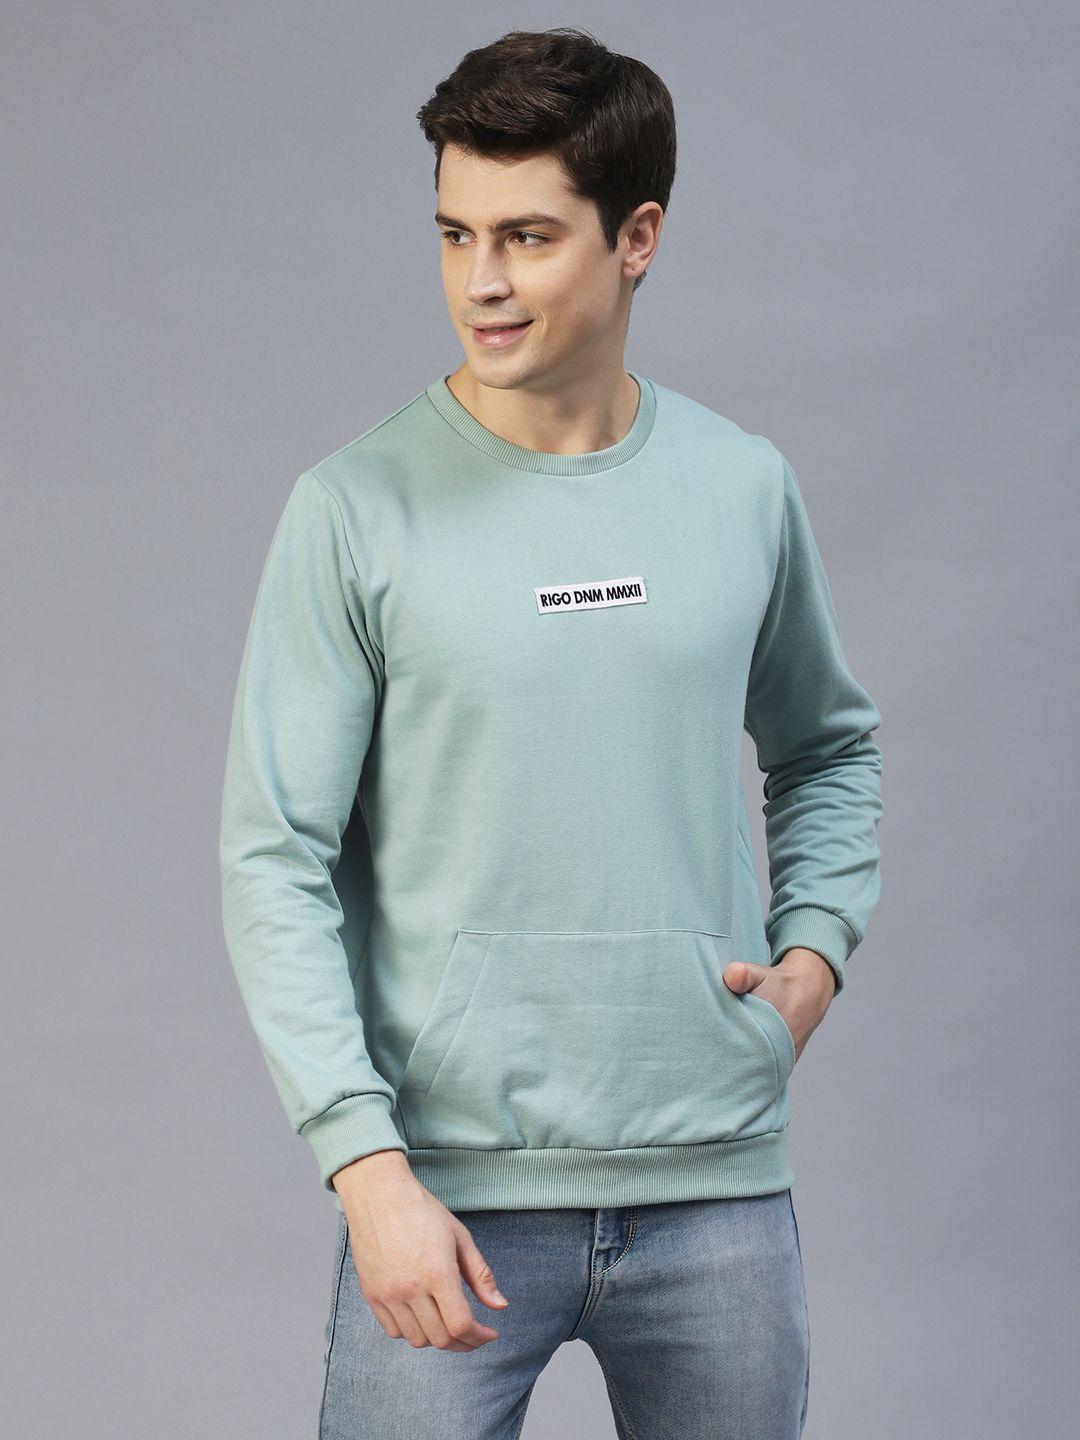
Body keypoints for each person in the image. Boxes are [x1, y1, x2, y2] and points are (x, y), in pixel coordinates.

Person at [218, 25, 883, 1440]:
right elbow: (274, 857)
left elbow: (827, 746)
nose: (480, 281)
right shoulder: (355, 509)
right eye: (454, 233)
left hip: (715, 1185)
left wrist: (817, 952)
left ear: (637, 237)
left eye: (525, 236)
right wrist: (364, 1170)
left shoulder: (741, 485)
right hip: (442, 1202)